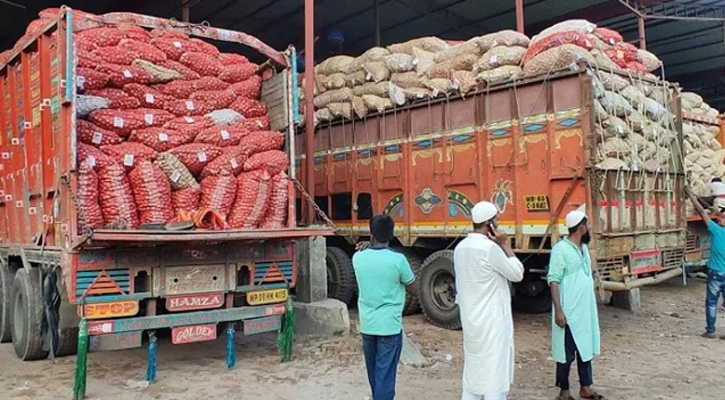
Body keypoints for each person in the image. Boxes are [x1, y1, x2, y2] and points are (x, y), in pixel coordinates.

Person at [454, 201, 524, 400]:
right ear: (490, 225)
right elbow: (517, 273)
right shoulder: (489, 249)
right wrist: (506, 246)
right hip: (492, 323)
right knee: (494, 376)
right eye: (497, 221)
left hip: (471, 321)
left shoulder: (461, 248)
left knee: (474, 374)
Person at [352, 214, 418, 400]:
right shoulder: (399, 261)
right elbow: (415, 289)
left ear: (371, 235)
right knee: (386, 377)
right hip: (389, 327)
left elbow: (367, 254)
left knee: (374, 376)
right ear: (392, 235)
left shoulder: (358, 258)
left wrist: (367, 245)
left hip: (368, 326)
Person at [547, 210, 603, 400]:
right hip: (569, 311)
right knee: (566, 353)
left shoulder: (584, 248)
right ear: (581, 228)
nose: (588, 229)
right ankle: (564, 391)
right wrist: (559, 311)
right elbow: (553, 280)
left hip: (585, 310)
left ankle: (585, 387)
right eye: (586, 226)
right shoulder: (560, 250)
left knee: (586, 348)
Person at [685, 186, 725, 339]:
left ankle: (711, 330)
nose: (719, 218)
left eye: (722, 218)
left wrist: (691, 196)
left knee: (711, 302)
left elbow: (702, 213)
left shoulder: (716, 230)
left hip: (716, 272)